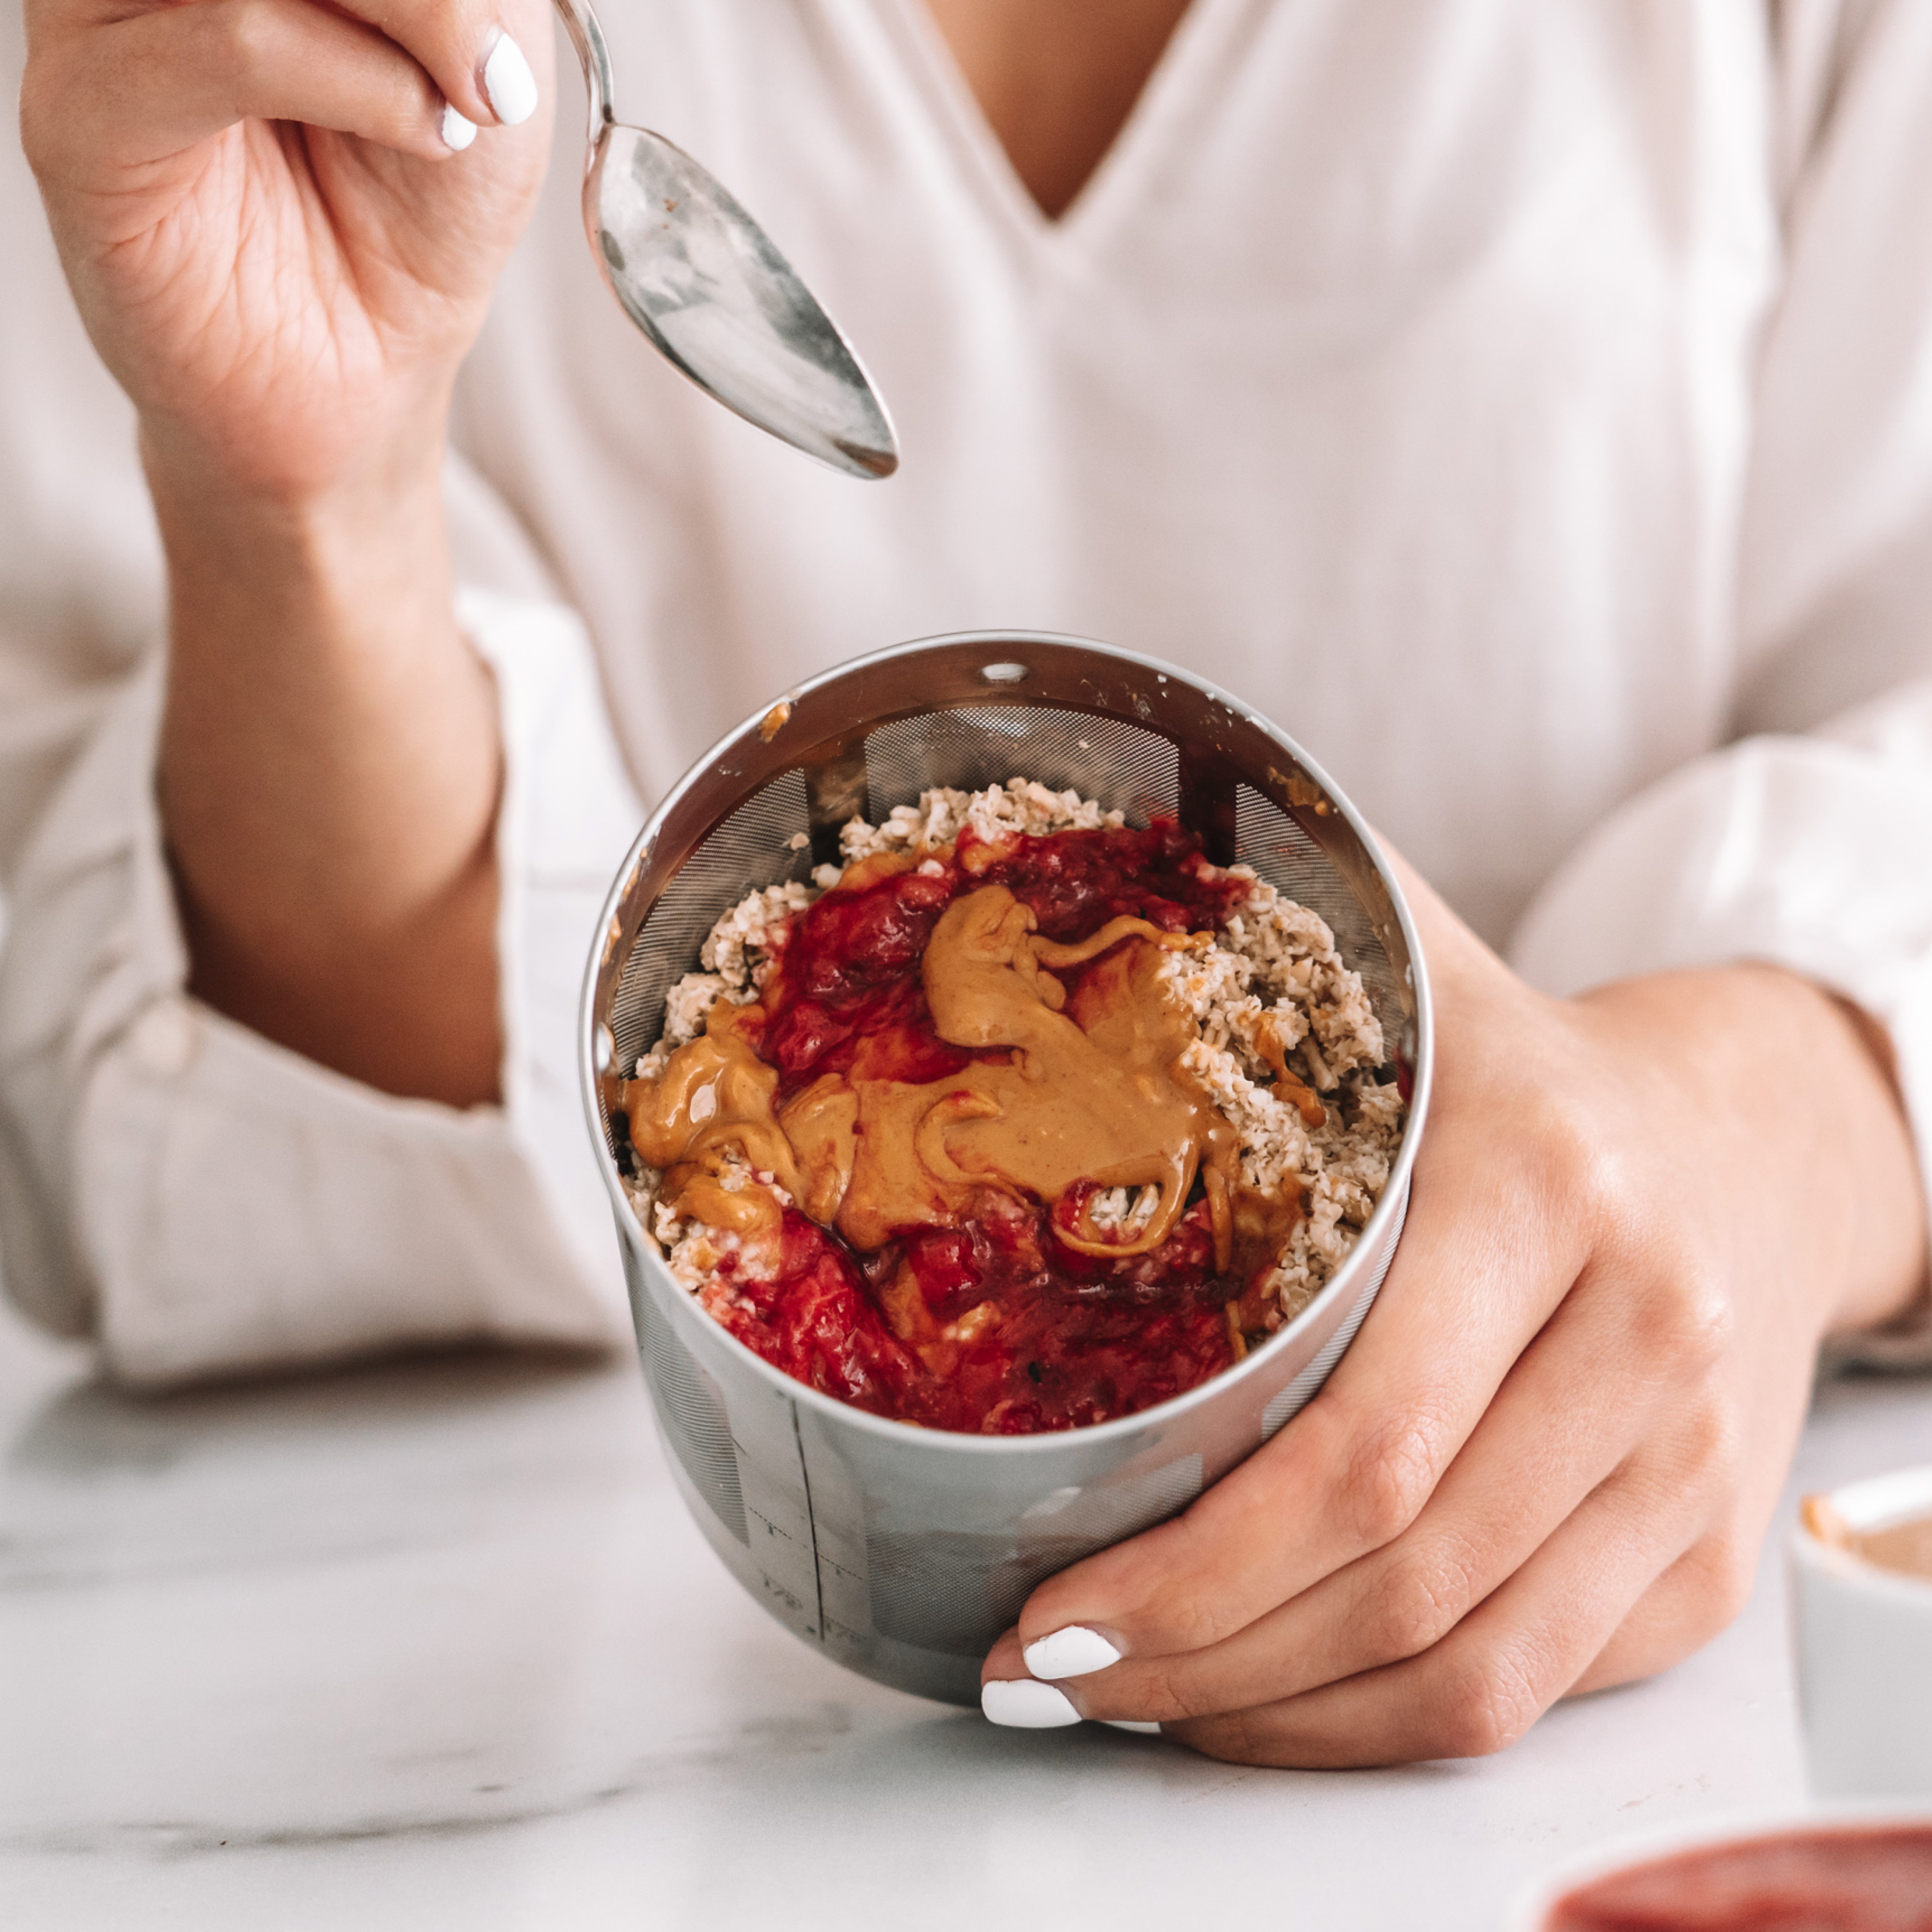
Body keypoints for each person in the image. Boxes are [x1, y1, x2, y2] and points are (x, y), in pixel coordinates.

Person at [5, 0, 1930, 1766]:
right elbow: (287, 1140)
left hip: (1678, 1724)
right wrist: (302, 507)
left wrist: (1775, 1115)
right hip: (599, 1722)